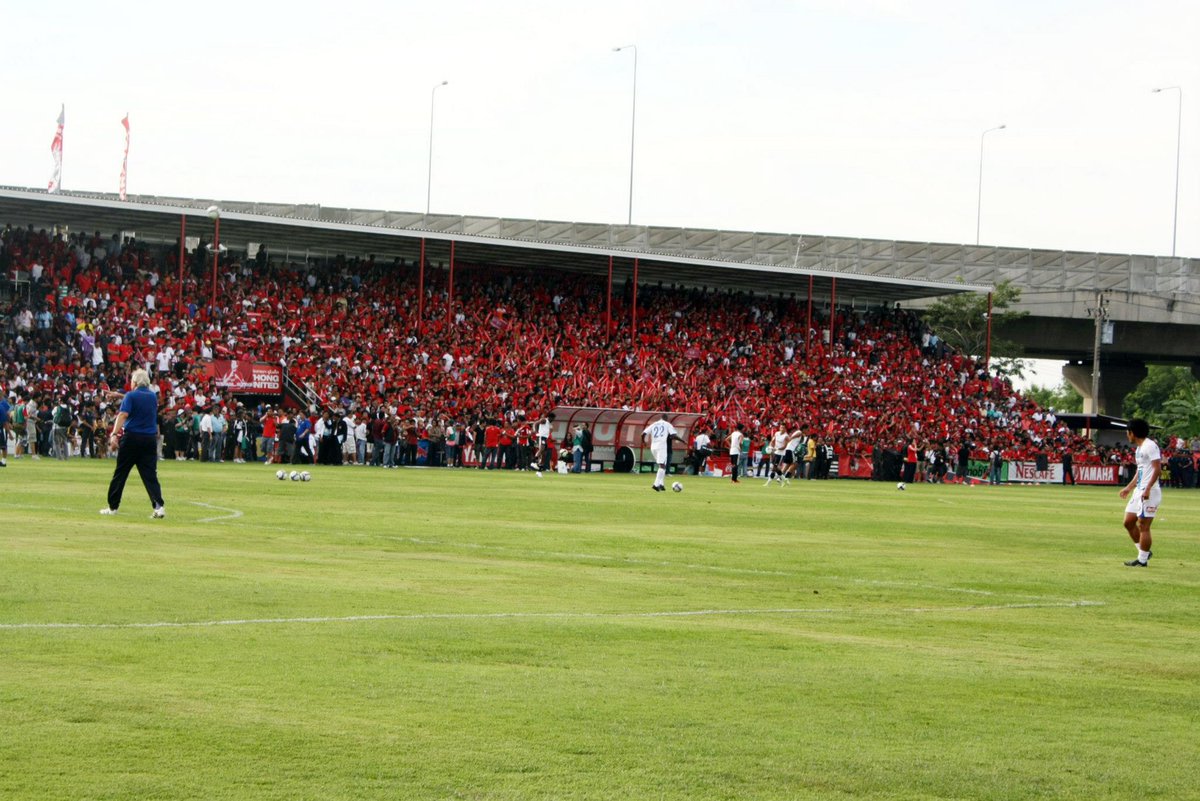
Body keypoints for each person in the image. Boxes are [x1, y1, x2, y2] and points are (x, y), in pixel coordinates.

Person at [100, 369, 165, 518]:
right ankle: (158, 506)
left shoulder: (131, 396)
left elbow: (123, 414)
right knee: (150, 475)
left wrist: (114, 434)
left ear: (134, 382)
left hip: (132, 438)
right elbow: (138, 399)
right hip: (149, 440)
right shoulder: (152, 397)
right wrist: (119, 395)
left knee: (121, 473)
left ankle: (113, 506)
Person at [1119, 418, 1161, 567]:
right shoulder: (1139, 448)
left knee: (1143, 526)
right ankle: (1144, 552)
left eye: (1127, 432)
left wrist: (1148, 488)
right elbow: (1140, 471)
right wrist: (1129, 487)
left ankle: (1142, 560)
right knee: (1128, 522)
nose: (1127, 435)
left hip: (1150, 491)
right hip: (1139, 490)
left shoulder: (1150, 446)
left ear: (1132, 432)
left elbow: (1157, 469)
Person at [641, 412, 680, 492]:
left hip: (653, 447)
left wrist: (643, 442)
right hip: (661, 446)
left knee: (663, 464)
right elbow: (673, 435)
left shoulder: (654, 424)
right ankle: (656, 484)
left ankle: (661, 484)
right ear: (666, 419)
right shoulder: (667, 424)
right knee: (662, 466)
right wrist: (682, 441)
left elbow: (643, 434)